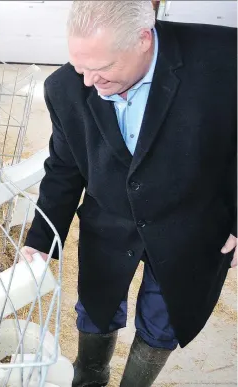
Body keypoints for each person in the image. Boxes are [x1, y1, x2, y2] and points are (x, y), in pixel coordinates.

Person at [19, 1, 237, 386]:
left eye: (101, 69)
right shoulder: (65, 87)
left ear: (143, 38)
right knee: (96, 307)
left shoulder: (224, 58)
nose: (88, 81)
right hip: (110, 222)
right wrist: (41, 237)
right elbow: (64, 167)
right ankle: (88, 376)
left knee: (163, 317)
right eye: (80, 66)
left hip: (191, 223)